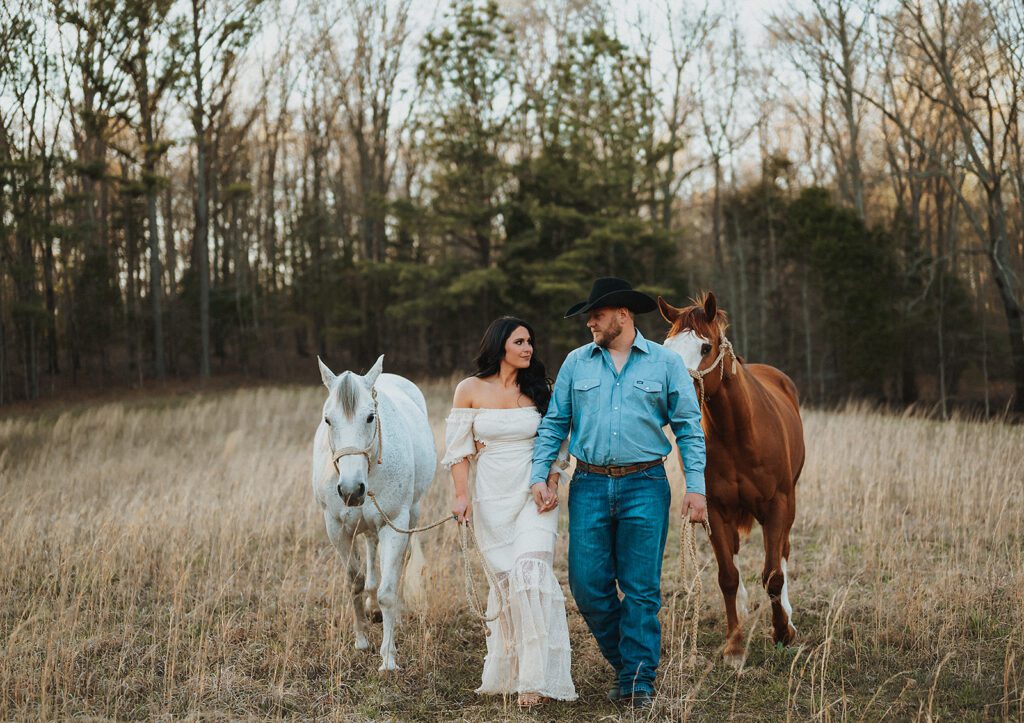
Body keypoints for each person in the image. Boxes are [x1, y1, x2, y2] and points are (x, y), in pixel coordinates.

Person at [530, 277, 707, 709]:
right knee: (588, 586)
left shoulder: (664, 364)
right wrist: (541, 473)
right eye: (588, 315)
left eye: (597, 314)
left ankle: (638, 682)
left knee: (642, 588)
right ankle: (630, 664)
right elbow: (555, 423)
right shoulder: (576, 363)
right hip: (588, 484)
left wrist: (697, 488)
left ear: (623, 315)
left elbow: (688, 427)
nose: (589, 321)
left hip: (645, 485)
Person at [442, 317, 577, 708]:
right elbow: (459, 451)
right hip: (490, 498)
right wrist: (461, 496)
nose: (528, 348)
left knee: (530, 575)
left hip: (534, 496)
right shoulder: (468, 389)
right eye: (520, 341)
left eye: (531, 341)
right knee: (505, 587)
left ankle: (535, 679)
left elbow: (555, 442)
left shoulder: (538, 391)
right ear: (500, 344)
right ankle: (514, 668)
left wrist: (552, 481)